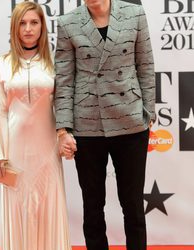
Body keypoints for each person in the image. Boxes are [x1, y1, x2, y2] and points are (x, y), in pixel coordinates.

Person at [55, 0, 155, 249]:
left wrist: (148, 113)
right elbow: (65, 79)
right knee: (92, 207)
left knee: (132, 206)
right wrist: (63, 129)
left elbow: (145, 65)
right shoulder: (68, 23)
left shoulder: (135, 14)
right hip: (87, 125)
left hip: (130, 123)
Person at [0, 2, 71, 250]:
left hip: (47, 151)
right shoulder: (0, 64)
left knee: (48, 207)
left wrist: (65, 137)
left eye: (34, 22)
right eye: (22, 23)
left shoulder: (55, 64)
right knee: (17, 209)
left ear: (43, 27)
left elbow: (63, 108)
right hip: (14, 153)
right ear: (14, 27)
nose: (28, 29)